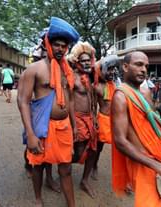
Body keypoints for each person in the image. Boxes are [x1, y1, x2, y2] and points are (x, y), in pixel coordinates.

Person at [17, 17, 79, 207]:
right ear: (47, 44)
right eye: (56, 45)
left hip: (64, 127)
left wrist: (74, 126)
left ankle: (71, 204)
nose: (60, 49)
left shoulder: (68, 71)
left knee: (66, 168)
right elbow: (23, 101)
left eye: (64, 46)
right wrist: (30, 133)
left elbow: (70, 99)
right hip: (42, 126)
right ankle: (37, 199)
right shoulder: (34, 69)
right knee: (38, 165)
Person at [111, 51, 161, 207]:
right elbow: (120, 141)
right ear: (125, 67)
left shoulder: (144, 92)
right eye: (138, 64)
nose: (144, 69)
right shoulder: (121, 96)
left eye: (146, 66)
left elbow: (153, 126)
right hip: (145, 163)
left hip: (160, 157)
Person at [68, 41, 98, 198]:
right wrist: (73, 124)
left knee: (93, 150)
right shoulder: (72, 77)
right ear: (77, 62)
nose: (86, 63)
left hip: (89, 119)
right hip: (77, 119)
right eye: (83, 60)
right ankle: (64, 170)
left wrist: (94, 116)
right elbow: (69, 101)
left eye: (88, 60)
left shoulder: (90, 77)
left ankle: (84, 180)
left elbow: (92, 98)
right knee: (78, 150)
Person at [92, 55, 119, 180]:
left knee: (120, 148)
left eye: (114, 69)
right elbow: (93, 106)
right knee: (98, 147)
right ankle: (94, 165)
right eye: (109, 69)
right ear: (103, 70)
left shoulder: (117, 85)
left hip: (116, 121)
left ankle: (121, 173)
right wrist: (94, 120)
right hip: (103, 120)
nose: (112, 72)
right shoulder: (97, 87)